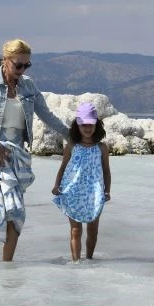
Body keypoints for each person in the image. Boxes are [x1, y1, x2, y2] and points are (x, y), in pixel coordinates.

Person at [0, 39, 68, 262]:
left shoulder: (28, 86)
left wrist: (72, 135)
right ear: (5, 61)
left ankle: (7, 267)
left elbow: (46, 115)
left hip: (16, 156)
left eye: (27, 66)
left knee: (15, 210)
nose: (22, 70)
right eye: (18, 65)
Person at [51, 103, 111, 261]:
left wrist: (107, 190)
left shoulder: (102, 148)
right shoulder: (72, 146)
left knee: (93, 231)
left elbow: (106, 171)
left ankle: (89, 259)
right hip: (73, 191)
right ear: (77, 125)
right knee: (75, 230)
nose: (87, 128)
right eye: (83, 124)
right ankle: (76, 262)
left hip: (95, 193)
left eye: (90, 124)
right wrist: (56, 185)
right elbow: (63, 167)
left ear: (96, 125)